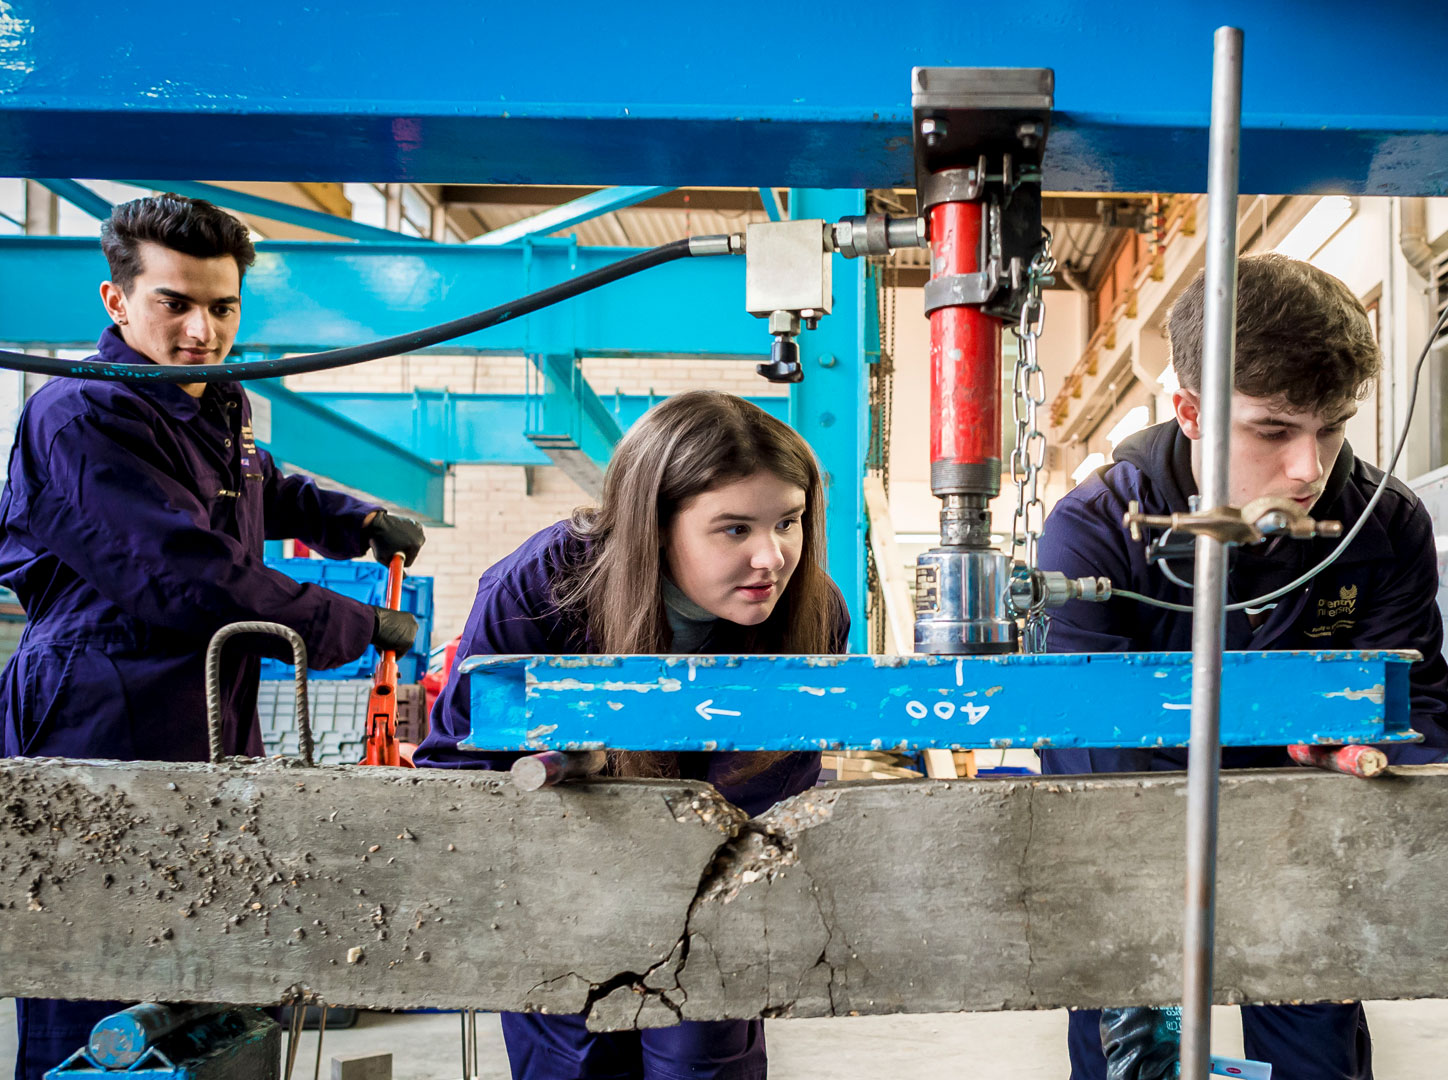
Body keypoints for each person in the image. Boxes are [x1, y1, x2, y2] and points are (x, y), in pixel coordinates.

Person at [0, 194, 424, 1079]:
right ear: (116, 301)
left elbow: (260, 484)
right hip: (97, 704)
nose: (202, 330)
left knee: (207, 948)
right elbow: (180, 574)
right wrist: (346, 621)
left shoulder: (211, 404)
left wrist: (360, 519)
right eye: (174, 303)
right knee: (101, 963)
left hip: (201, 700)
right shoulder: (81, 414)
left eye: (222, 307)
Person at [1037, 254, 1448, 1080]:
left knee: (1320, 1060)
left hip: (1310, 843)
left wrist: (1399, 786)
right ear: (1190, 411)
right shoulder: (1094, 531)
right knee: (1130, 1056)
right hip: (1133, 839)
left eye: (1333, 426)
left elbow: (1410, 709)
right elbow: (1085, 744)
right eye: (1274, 430)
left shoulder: (1384, 524)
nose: (1309, 468)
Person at [416, 390, 848, 1080]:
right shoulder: (539, 590)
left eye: (789, 522)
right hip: (561, 895)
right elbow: (457, 770)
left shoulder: (813, 613)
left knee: (704, 1065)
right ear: (653, 524)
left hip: (714, 900)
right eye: (734, 529)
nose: (772, 557)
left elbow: (783, 785)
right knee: (575, 1066)